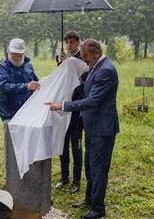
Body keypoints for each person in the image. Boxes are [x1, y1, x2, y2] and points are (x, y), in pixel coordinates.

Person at [46, 39, 119, 219]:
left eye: (85, 57)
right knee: (89, 166)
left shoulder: (106, 71)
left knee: (98, 169)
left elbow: (92, 100)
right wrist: (65, 66)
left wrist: (62, 105)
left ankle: (98, 208)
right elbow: (83, 84)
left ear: (96, 52)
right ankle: (89, 199)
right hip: (93, 127)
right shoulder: (96, 66)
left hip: (102, 130)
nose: (84, 60)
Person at [0, 38, 39, 176]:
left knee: (26, 145)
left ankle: (24, 175)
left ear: (24, 53)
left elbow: (35, 82)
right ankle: (10, 177)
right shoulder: (1, 66)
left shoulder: (28, 65)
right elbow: (4, 87)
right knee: (11, 148)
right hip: (9, 113)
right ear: (8, 52)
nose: (17, 56)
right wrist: (26, 86)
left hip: (27, 113)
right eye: (14, 54)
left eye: (19, 54)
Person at [55, 30, 84, 193]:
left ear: (78, 43)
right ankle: (64, 177)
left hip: (77, 107)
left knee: (76, 146)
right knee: (63, 143)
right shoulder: (61, 57)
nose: (69, 45)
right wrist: (61, 64)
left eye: (72, 42)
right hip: (63, 106)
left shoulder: (82, 58)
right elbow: (60, 80)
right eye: (67, 42)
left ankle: (76, 181)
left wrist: (69, 62)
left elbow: (80, 80)